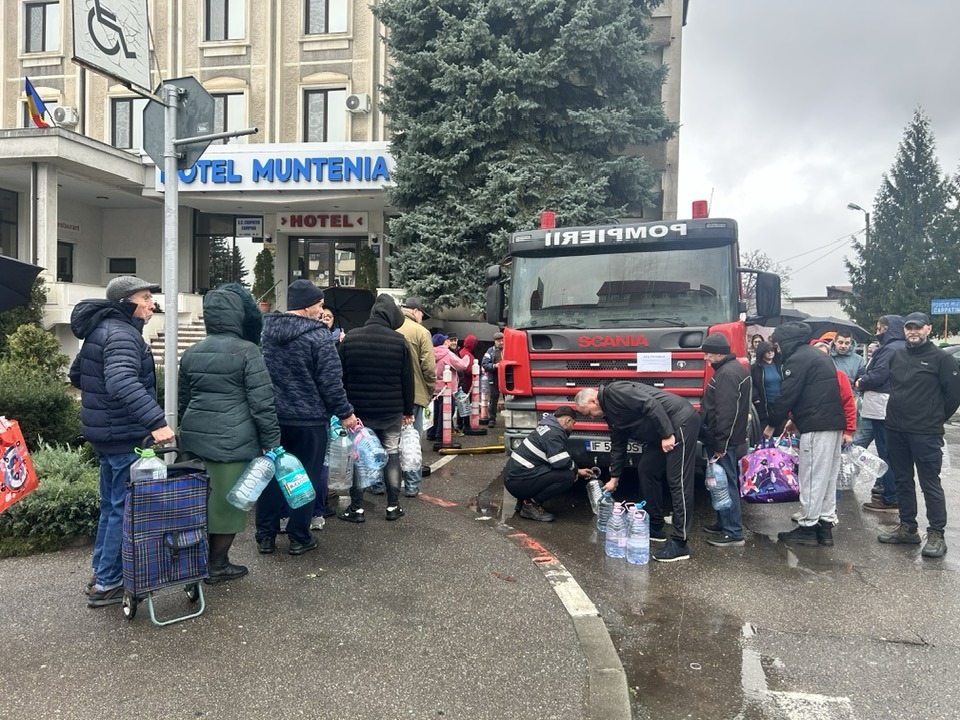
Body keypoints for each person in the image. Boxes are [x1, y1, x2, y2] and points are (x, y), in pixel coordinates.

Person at [69, 276, 176, 607]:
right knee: (124, 509)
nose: (151, 304)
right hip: (123, 435)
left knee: (112, 506)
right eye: (145, 298)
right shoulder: (122, 334)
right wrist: (157, 422)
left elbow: (77, 375)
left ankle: (101, 573)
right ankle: (109, 582)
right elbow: (121, 381)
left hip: (107, 434)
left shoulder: (102, 329)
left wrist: (103, 403)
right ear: (126, 303)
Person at [178, 284, 281, 583]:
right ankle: (217, 564)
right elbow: (262, 403)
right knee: (229, 506)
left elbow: (184, 399)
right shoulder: (249, 351)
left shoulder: (191, 352)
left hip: (195, 440)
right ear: (239, 315)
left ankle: (199, 562)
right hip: (233, 441)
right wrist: (271, 442)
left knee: (201, 504)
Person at [258, 280, 358, 555]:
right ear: (306, 306)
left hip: (274, 418)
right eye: (319, 304)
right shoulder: (318, 336)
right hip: (309, 419)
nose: (321, 310)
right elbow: (331, 381)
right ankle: (299, 536)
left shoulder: (267, 333)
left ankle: (265, 535)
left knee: (271, 475)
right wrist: (345, 413)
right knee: (305, 477)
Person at [575, 382, 700, 563]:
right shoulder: (610, 415)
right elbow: (618, 445)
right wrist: (614, 478)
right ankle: (655, 525)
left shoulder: (615, 392)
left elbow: (650, 404)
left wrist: (667, 434)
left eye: (588, 413)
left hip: (679, 422)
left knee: (678, 481)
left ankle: (680, 543)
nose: (590, 417)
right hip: (661, 432)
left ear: (593, 401)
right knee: (646, 470)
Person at [878, 312, 960, 558]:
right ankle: (908, 528)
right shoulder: (897, 355)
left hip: (925, 432)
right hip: (895, 429)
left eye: (918, 327)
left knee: (929, 483)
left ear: (928, 329)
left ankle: (936, 534)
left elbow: (953, 396)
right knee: (902, 480)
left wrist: (934, 418)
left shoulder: (942, 359)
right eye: (909, 328)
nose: (913, 332)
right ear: (904, 330)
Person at [763, 322, 845, 547]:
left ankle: (808, 527)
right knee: (827, 478)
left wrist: (772, 424)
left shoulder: (798, 359)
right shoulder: (817, 356)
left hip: (816, 426)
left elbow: (788, 394)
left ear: (786, 341)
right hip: (832, 423)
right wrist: (794, 420)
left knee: (811, 477)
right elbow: (814, 392)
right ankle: (825, 527)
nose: (777, 348)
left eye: (778, 344)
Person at [338, 294, 415, 523]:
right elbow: (407, 380)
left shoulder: (351, 339)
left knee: (359, 456)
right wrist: (408, 410)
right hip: (391, 411)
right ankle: (393, 506)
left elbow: (340, 377)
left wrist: (342, 409)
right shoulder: (399, 341)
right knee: (392, 454)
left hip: (358, 413)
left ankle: (357, 508)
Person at [699, 334, 751, 548]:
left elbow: (726, 413)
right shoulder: (731, 369)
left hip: (723, 442)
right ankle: (723, 523)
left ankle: (733, 532)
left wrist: (721, 444)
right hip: (726, 439)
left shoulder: (727, 374)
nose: (705, 358)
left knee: (725, 483)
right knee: (719, 483)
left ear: (719, 353)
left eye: (708, 353)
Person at [503, 406, 594, 522]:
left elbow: (555, 459)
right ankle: (531, 505)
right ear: (568, 421)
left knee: (560, 470)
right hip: (518, 481)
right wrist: (575, 471)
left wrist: (578, 471)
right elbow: (561, 462)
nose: (573, 427)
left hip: (515, 478)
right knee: (567, 476)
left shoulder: (546, 427)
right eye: (573, 423)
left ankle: (523, 500)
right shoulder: (554, 434)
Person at [856, 315, 905, 512]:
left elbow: (878, 375)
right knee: (891, 452)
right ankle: (889, 491)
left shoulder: (890, 349)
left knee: (886, 453)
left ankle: (890, 497)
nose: (877, 332)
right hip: (890, 406)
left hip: (882, 407)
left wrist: (861, 382)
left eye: (879, 328)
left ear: (887, 328)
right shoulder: (899, 346)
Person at [397, 297, 437, 497]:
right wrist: (429, 389)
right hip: (415, 394)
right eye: (422, 315)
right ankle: (412, 485)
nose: (423, 319)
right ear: (415, 311)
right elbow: (428, 367)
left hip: (390, 395)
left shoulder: (391, 327)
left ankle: (385, 483)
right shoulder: (421, 332)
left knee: (391, 441)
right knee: (411, 441)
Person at [428, 333, 470, 441]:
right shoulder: (447, 354)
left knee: (434, 411)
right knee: (445, 412)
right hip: (446, 389)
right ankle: (441, 435)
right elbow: (461, 366)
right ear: (443, 342)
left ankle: (431, 433)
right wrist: (466, 358)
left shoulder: (429, 353)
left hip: (433, 388)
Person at [750, 340, 781, 430]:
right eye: (767, 351)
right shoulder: (755, 368)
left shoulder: (779, 365)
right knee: (765, 430)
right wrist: (756, 398)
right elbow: (751, 383)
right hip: (764, 405)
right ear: (762, 353)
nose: (770, 352)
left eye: (772, 350)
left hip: (779, 403)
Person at [481, 331, 505, 426]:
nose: (501, 342)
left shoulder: (508, 350)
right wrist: (495, 366)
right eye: (499, 341)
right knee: (493, 399)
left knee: (509, 399)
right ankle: (492, 419)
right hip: (494, 378)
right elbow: (484, 364)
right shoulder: (490, 351)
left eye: (502, 340)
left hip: (507, 378)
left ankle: (510, 418)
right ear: (494, 341)